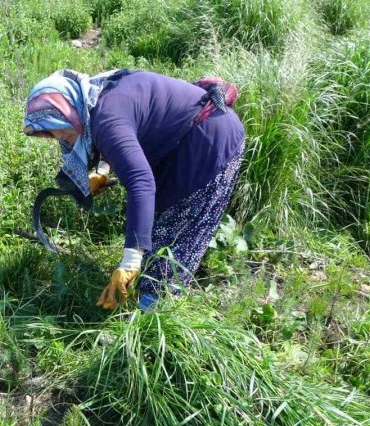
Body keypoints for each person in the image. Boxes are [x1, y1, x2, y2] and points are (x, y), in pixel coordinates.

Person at [23, 69, 245, 311]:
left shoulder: (107, 118)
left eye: (65, 133)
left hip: (211, 142)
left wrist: (130, 262)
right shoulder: (95, 97)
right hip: (188, 139)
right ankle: (150, 297)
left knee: (176, 234)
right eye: (58, 138)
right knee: (158, 225)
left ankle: (153, 319)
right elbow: (124, 133)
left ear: (70, 110)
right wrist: (104, 168)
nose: (66, 141)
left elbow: (141, 182)